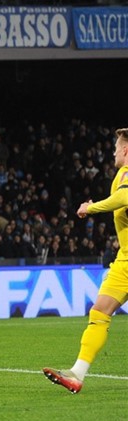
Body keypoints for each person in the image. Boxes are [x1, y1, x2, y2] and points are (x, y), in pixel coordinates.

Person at [44, 127, 128, 393]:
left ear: (126, 150)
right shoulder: (121, 176)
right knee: (99, 311)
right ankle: (77, 374)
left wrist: (91, 207)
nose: (113, 153)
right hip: (125, 261)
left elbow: (124, 197)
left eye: (116, 148)